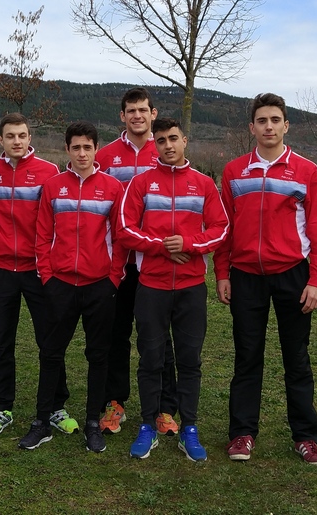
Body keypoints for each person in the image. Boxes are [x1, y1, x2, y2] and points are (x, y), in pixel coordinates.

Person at [214, 93, 317, 466]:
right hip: (246, 276)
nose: (268, 126)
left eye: (275, 120)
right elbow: (225, 228)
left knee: (296, 358)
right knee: (247, 357)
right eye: (261, 120)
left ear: (285, 126)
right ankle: (242, 434)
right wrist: (222, 273)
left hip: (292, 276)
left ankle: (306, 437)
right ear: (252, 127)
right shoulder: (234, 171)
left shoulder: (306, 170)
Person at [117, 118, 229, 461]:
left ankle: (189, 428)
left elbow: (222, 228)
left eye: (173, 139)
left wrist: (191, 244)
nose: (168, 145)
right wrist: (163, 246)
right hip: (151, 286)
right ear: (156, 144)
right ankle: (148, 425)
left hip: (192, 288)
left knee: (189, 360)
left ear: (185, 141)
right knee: (150, 359)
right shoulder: (140, 183)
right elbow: (124, 230)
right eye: (161, 140)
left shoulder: (204, 184)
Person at [18, 122, 126, 453]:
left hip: (99, 285)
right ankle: (41, 421)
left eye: (87, 147)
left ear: (96, 149)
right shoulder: (53, 187)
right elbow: (42, 234)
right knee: (51, 353)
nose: (82, 153)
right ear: (67, 150)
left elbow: (120, 238)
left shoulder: (112, 187)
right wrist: (48, 277)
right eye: (76, 147)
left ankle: (93, 422)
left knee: (98, 355)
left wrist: (113, 278)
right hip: (60, 284)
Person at [0, 113, 75, 437]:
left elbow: (57, 220)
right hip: (1, 269)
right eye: (10, 136)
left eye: (22, 135)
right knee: (0, 340)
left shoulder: (49, 172)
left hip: (38, 270)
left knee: (50, 340)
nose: (17, 141)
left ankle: (56, 406)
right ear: (1, 139)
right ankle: (1, 406)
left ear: (29, 136)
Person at [94, 87, 179, 437]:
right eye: (131, 111)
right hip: (116, 260)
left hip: (155, 261)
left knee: (158, 337)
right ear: (122, 116)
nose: (137, 116)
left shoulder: (162, 152)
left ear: (153, 113)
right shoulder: (106, 155)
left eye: (143, 110)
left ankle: (164, 407)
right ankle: (115, 403)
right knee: (116, 335)